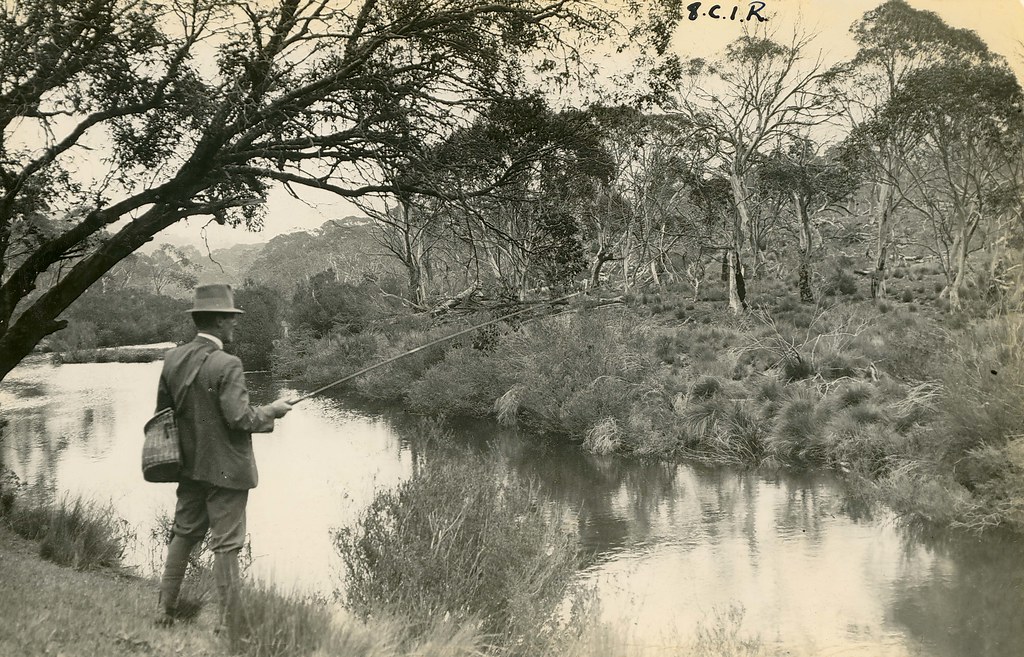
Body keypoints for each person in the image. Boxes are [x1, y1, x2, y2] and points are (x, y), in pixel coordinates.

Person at [153, 283, 292, 647]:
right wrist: (272, 411)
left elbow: (163, 415)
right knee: (226, 546)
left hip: (188, 467)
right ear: (217, 321)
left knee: (183, 533)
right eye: (230, 319)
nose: (234, 325)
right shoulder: (228, 363)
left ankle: (163, 610)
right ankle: (230, 627)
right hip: (227, 471)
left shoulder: (173, 359)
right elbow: (239, 419)